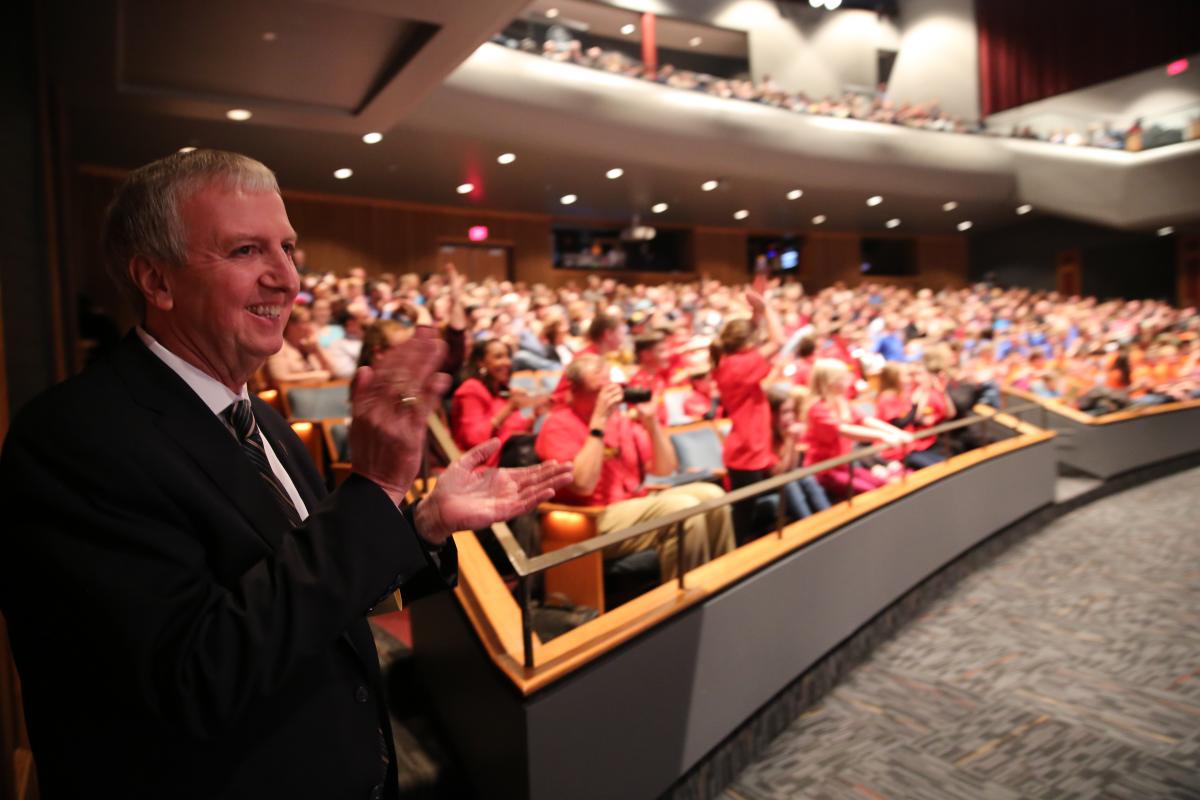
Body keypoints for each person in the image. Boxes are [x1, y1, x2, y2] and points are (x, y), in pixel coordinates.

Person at [0, 149, 570, 800]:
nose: (286, 278)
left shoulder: (262, 422)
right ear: (156, 282)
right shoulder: (76, 438)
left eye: (289, 248)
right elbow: (193, 677)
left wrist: (421, 522)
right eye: (246, 251)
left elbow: (311, 583)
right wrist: (376, 488)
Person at [535, 355, 735, 581]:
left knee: (714, 496)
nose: (607, 396)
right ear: (574, 391)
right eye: (598, 390)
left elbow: (664, 469)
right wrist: (598, 423)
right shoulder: (557, 424)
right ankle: (684, 601)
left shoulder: (619, 420)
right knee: (683, 509)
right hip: (590, 519)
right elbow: (582, 485)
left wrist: (651, 422)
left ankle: (722, 583)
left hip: (632, 503)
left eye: (610, 388)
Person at [712, 290, 784, 544]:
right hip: (746, 448)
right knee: (743, 512)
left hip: (751, 444)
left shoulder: (730, 359)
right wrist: (766, 309)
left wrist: (756, 315)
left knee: (751, 509)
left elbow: (751, 334)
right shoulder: (739, 365)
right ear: (747, 343)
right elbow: (779, 341)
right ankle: (733, 558)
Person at [804, 359, 911, 498]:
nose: (849, 382)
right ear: (831, 382)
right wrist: (882, 436)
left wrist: (896, 432)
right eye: (843, 379)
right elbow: (843, 430)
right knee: (871, 492)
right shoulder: (817, 408)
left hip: (844, 465)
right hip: (826, 470)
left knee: (884, 483)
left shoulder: (841, 400)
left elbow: (864, 420)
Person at [450, 339, 543, 466]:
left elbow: (514, 432)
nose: (507, 362)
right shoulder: (471, 389)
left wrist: (536, 414)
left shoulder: (502, 392)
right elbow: (474, 440)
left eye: (507, 356)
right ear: (481, 362)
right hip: (479, 466)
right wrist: (509, 407)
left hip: (511, 459)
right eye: (498, 357)